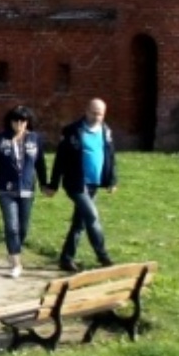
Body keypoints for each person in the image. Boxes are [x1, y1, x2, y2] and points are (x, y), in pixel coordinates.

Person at [46, 97, 117, 273]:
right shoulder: (72, 131)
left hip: (94, 183)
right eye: (93, 112)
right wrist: (53, 184)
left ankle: (66, 259)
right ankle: (103, 256)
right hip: (76, 183)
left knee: (80, 223)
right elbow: (60, 159)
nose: (96, 116)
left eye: (100, 114)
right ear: (86, 111)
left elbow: (111, 157)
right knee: (92, 216)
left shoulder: (106, 131)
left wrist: (112, 180)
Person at [0, 105, 49, 278]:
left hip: (27, 189)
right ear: (10, 121)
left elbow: (40, 164)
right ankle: (16, 263)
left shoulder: (35, 139)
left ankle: (13, 250)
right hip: (5, 189)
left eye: (23, 121)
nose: (19, 124)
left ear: (28, 122)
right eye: (16, 120)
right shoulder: (0, 139)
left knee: (23, 227)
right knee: (11, 227)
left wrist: (44, 184)